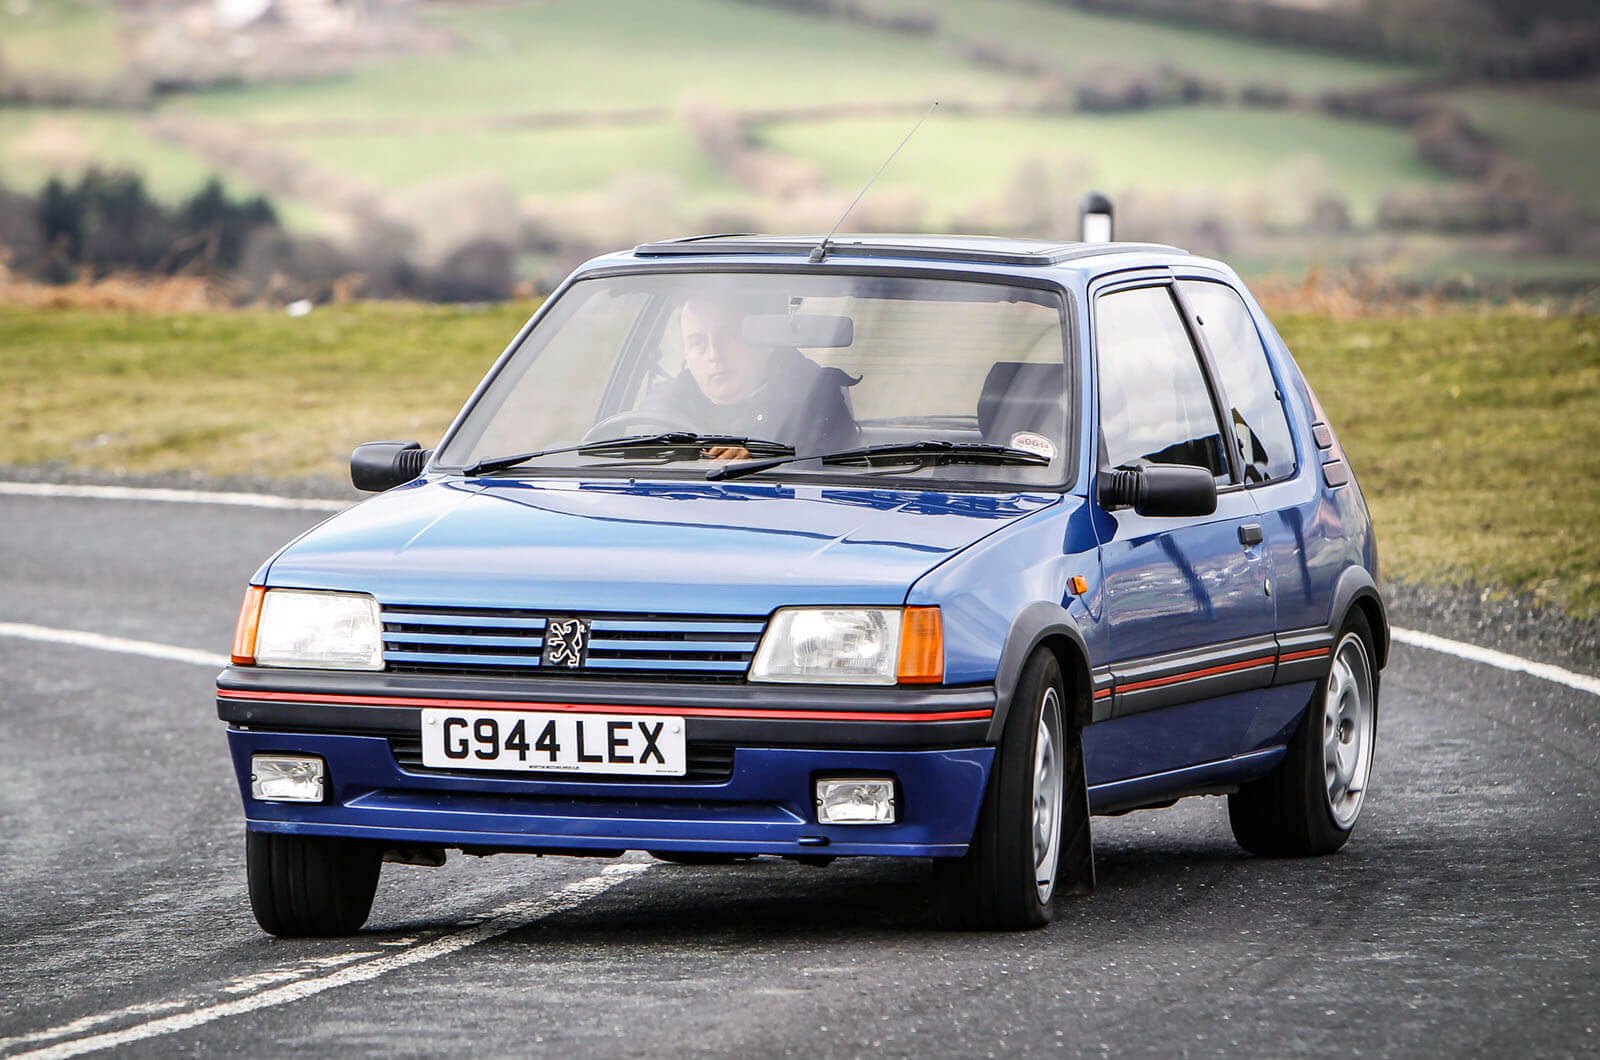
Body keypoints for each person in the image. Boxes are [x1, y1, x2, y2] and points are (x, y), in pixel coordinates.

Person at [636, 292, 859, 459]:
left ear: (765, 343)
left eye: (729, 336)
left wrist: (756, 458)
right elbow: (641, 442)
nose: (714, 355)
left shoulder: (813, 394)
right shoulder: (670, 397)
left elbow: (825, 477)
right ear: (686, 353)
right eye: (698, 342)